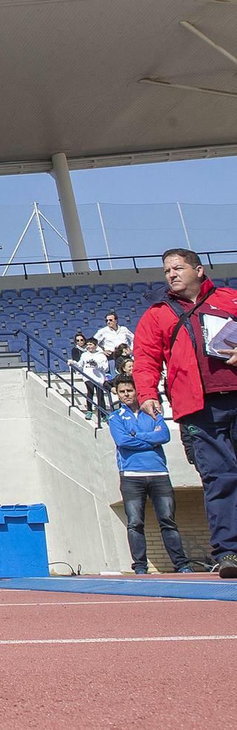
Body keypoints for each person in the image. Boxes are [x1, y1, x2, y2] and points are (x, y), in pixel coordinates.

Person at [132, 248, 237, 578]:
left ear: (199, 270)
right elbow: (146, 358)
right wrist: (147, 393)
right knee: (219, 478)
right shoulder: (157, 314)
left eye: (178, 268)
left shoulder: (231, 299)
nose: (172, 274)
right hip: (198, 409)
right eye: (166, 271)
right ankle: (229, 552)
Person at [108, 377, 192, 575]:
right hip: (131, 475)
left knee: (168, 520)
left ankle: (181, 565)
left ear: (137, 391)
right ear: (117, 394)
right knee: (135, 522)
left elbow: (164, 436)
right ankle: (140, 566)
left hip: (159, 474)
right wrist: (150, 440)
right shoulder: (115, 417)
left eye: (129, 390)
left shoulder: (152, 411)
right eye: (122, 392)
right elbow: (122, 441)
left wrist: (137, 435)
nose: (126, 394)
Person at [70, 338, 113, 419]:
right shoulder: (84, 355)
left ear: (95, 345)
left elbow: (106, 368)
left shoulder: (101, 356)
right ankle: (89, 411)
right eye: (88, 344)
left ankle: (103, 414)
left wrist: (96, 365)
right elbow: (80, 365)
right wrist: (73, 363)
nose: (89, 346)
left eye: (91, 344)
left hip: (98, 378)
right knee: (90, 392)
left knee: (100, 395)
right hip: (88, 377)